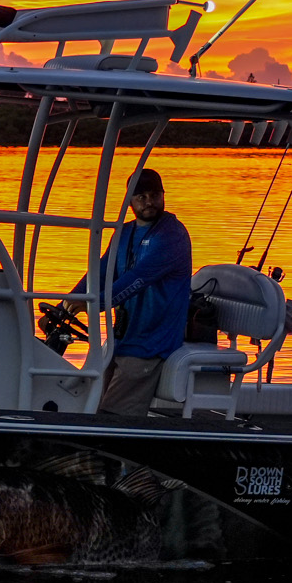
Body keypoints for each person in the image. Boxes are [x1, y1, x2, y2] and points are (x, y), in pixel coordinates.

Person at [66, 168, 192, 416]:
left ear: (163, 195)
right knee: (86, 404)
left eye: (154, 195)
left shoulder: (172, 236)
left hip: (151, 343)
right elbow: (101, 272)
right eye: (141, 196)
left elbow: (137, 279)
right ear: (128, 200)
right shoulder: (124, 233)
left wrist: (96, 304)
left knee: (111, 415)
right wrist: (67, 304)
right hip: (121, 340)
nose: (148, 202)